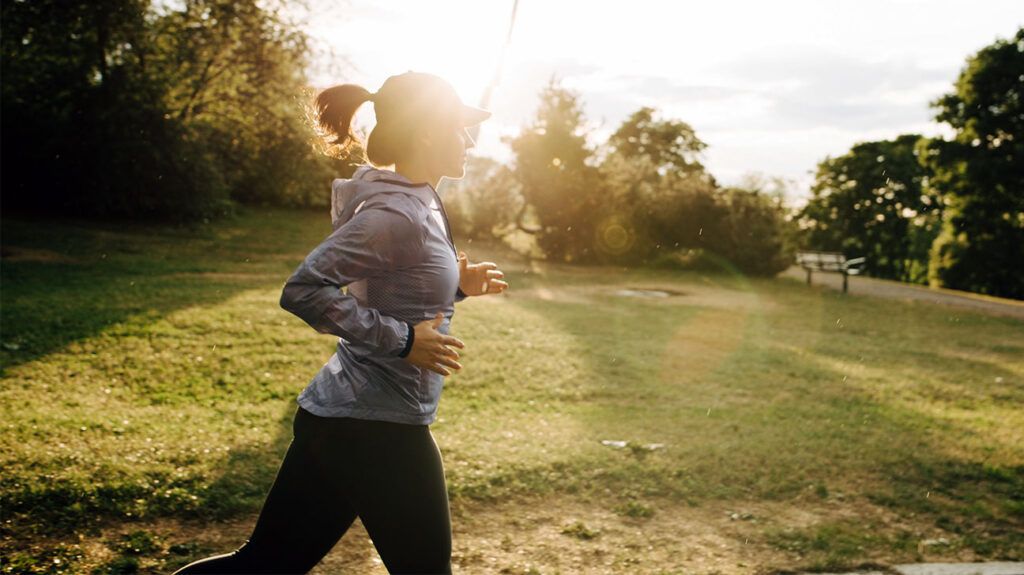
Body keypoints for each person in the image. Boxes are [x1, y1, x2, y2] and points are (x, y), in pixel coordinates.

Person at [172, 71, 509, 575]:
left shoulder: (421, 199)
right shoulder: (397, 214)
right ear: (424, 133)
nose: (467, 140)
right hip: (375, 429)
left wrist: (459, 286)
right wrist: (401, 341)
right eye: (458, 128)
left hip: (347, 422)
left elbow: (392, 287)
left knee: (264, 565)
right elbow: (304, 290)